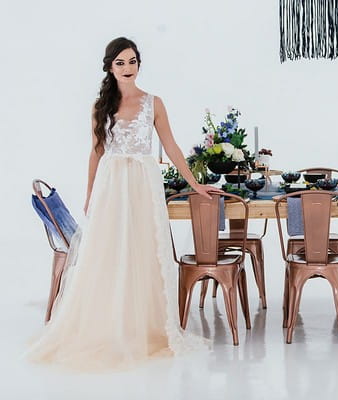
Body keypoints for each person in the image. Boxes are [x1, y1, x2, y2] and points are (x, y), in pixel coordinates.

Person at [27, 37, 217, 370]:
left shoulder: (153, 103)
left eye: (132, 62)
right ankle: (107, 323)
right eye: (120, 63)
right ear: (110, 68)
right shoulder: (100, 106)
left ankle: (143, 324)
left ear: (138, 65)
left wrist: (194, 184)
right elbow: (96, 152)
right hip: (111, 184)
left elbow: (170, 147)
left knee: (144, 249)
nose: (127, 68)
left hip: (143, 182)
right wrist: (89, 194)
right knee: (108, 250)